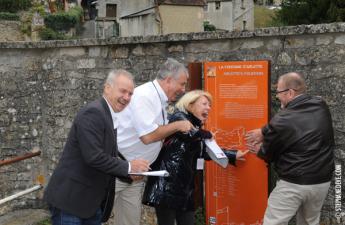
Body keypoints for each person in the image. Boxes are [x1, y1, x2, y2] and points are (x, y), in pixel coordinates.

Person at [44, 69, 150, 225]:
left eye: (130, 94)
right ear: (107, 88)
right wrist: (128, 167)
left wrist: (129, 174)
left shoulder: (108, 114)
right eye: (123, 91)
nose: (126, 97)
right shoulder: (93, 112)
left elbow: (107, 158)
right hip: (71, 202)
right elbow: (94, 157)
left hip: (89, 205)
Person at [142, 90, 248, 225]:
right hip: (166, 185)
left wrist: (233, 155)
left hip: (184, 188)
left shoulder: (197, 127)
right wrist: (205, 133)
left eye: (209, 105)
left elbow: (204, 151)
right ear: (190, 105)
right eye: (204, 104)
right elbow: (188, 133)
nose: (208, 108)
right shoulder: (178, 117)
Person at [112, 58, 194, 225]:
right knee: (93, 216)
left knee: (129, 222)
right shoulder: (145, 96)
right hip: (116, 169)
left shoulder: (159, 98)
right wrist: (177, 125)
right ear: (169, 80)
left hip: (135, 173)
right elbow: (148, 136)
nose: (183, 90)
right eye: (182, 84)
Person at [245, 72, 335, 225]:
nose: (277, 97)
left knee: (274, 222)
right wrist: (264, 131)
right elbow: (295, 123)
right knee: (309, 222)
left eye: (278, 92)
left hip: (293, 182)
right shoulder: (321, 105)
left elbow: (268, 153)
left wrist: (259, 149)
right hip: (322, 181)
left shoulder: (282, 118)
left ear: (290, 92)